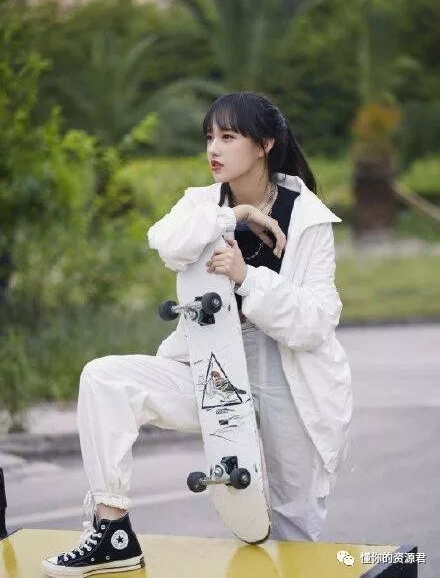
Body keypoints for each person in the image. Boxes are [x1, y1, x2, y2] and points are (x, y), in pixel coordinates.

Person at [41, 91, 353, 576]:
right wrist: (235, 216)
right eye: (210, 137)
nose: (214, 149)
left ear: (264, 144)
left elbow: (314, 321)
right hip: (212, 370)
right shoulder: (202, 204)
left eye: (228, 137)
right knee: (104, 380)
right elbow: (166, 242)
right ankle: (112, 533)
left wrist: (246, 278)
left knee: (294, 530)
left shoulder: (307, 218)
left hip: (285, 378)